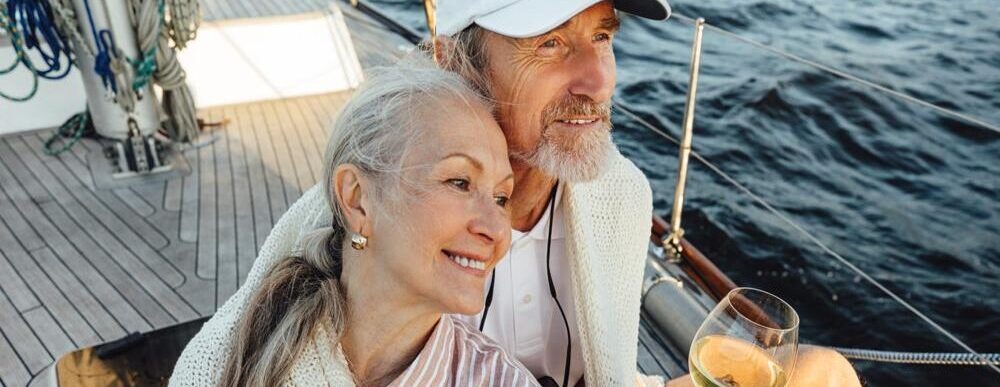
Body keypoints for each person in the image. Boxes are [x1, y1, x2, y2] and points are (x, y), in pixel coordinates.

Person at [429, 1, 864, 386]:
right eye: (550, 44)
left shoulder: (620, 195)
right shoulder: (396, 212)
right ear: (453, 65)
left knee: (826, 372)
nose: (599, 83)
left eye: (602, 36)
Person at [169, 64, 541, 386]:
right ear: (357, 198)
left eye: (500, 198)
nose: (496, 230)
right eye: (459, 182)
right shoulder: (230, 352)